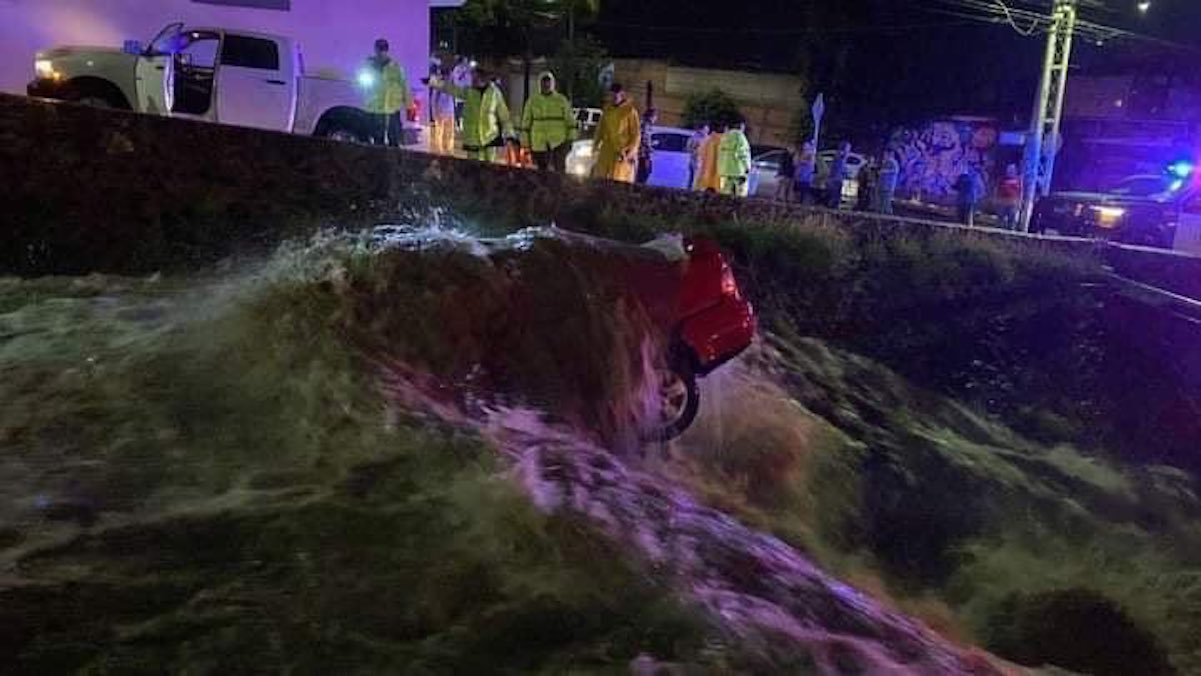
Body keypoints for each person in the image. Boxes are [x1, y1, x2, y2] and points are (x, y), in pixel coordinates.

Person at [430, 68, 512, 162]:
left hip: (490, 138)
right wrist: (433, 81)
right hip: (473, 140)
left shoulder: (494, 93)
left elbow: (504, 115)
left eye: (475, 77)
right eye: (473, 77)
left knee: (489, 166)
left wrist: (510, 135)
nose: (473, 79)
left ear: (483, 78)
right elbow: (451, 89)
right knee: (473, 166)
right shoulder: (469, 91)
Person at [520, 71, 576, 172]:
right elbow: (526, 123)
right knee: (541, 173)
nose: (546, 84)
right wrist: (526, 144)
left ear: (552, 83)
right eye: (544, 82)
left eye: (548, 82)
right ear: (539, 84)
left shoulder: (561, 100)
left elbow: (570, 121)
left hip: (559, 143)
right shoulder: (532, 101)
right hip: (538, 144)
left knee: (559, 172)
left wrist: (570, 140)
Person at [362, 39, 411, 147]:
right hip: (376, 108)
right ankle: (380, 155)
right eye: (379, 49)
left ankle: (392, 155)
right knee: (377, 138)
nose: (381, 52)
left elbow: (404, 85)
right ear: (375, 50)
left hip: (391, 108)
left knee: (393, 138)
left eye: (383, 49)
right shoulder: (369, 65)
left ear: (387, 50)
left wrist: (409, 105)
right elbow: (364, 86)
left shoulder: (395, 67)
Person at [592, 84, 641, 183]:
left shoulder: (629, 111)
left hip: (622, 153)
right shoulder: (607, 110)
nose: (613, 99)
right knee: (601, 179)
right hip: (606, 151)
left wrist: (630, 152)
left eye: (615, 96)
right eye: (611, 96)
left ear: (622, 95)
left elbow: (636, 134)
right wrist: (595, 146)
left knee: (618, 180)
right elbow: (600, 129)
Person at [428, 58, 457, 155]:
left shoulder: (450, 84)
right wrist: (434, 114)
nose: (448, 77)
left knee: (450, 132)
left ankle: (449, 150)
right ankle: (439, 150)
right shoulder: (438, 84)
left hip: (450, 111)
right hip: (441, 112)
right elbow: (433, 100)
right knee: (440, 131)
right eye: (447, 75)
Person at [718, 120, 752, 197]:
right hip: (738, 170)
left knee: (724, 192)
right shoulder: (740, 137)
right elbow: (743, 154)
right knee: (740, 192)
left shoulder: (724, 137)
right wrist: (747, 167)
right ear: (741, 127)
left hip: (724, 170)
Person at [693, 124, 723, 192]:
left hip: (704, 177)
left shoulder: (706, 140)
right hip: (717, 179)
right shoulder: (724, 141)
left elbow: (700, 155)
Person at [826, 141, 852, 209]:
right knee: (834, 196)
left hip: (837, 179)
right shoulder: (840, 156)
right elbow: (837, 168)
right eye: (848, 148)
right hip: (835, 179)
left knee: (836, 196)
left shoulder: (841, 157)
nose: (849, 151)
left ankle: (833, 207)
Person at [636, 108, 659, 185]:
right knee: (644, 173)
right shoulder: (646, 125)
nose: (655, 119)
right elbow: (644, 139)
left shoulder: (643, 124)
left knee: (643, 173)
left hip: (642, 153)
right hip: (643, 154)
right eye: (655, 117)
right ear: (651, 117)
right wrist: (651, 146)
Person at [996, 163, 1022, 230]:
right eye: (1008, 169)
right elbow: (998, 190)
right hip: (1003, 201)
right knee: (1000, 218)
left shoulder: (1018, 180)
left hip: (1013, 202)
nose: (1010, 171)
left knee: (1011, 218)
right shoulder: (1002, 180)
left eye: (1012, 169)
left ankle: (1011, 231)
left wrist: (1019, 202)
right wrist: (997, 200)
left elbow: (1020, 192)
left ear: (1015, 171)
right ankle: (999, 230)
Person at [794, 141, 817, 205]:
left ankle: (801, 204)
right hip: (799, 178)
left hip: (806, 179)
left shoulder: (811, 156)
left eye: (807, 148)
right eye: (804, 148)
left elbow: (810, 163)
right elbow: (795, 163)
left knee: (803, 194)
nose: (805, 149)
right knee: (797, 193)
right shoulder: (800, 155)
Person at [686, 124, 709, 190]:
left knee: (694, 177)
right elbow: (689, 148)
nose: (707, 131)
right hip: (696, 159)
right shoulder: (696, 137)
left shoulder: (706, 137)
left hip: (699, 160)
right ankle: (692, 190)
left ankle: (691, 189)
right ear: (701, 129)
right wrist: (695, 151)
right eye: (705, 129)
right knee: (695, 176)